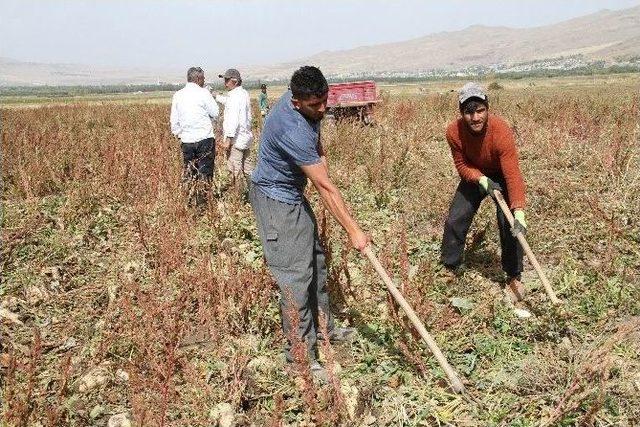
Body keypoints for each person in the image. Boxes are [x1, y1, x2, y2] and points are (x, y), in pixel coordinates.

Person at [250, 66, 371, 379]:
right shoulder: (292, 128)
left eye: (324, 101)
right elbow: (326, 190)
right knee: (294, 275)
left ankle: (324, 331)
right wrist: (355, 232)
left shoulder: (309, 110)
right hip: (276, 200)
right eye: (314, 105)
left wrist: (321, 163)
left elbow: (318, 155)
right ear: (295, 102)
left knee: (315, 262)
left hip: (292, 194)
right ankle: (300, 359)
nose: (322, 109)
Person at [441, 82, 527, 302]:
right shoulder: (454, 132)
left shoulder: (500, 131)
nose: (476, 118)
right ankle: (450, 265)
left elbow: (512, 173)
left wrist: (518, 211)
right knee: (455, 218)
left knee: (510, 226)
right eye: (469, 112)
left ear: (487, 109)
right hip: (475, 174)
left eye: (480, 110)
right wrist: (481, 179)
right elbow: (461, 165)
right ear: (462, 114)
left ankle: (513, 275)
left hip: (500, 174)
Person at [170, 67, 219, 191]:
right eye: (203, 78)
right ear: (198, 78)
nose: (204, 81)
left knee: (190, 172)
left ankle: (190, 201)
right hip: (204, 139)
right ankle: (204, 203)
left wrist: (179, 134)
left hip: (187, 141)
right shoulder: (204, 93)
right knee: (205, 172)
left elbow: (174, 121)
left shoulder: (178, 95)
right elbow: (215, 112)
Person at [216, 68, 254, 187]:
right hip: (245, 139)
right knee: (249, 171)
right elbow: (229, 102)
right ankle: (254, 197)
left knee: (234, 172)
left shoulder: (234, 97)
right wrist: (216, 96)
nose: (225, 83)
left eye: (227, 80)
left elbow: (233, 121)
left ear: (235, 81)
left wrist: (228, 140)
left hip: (235, 141)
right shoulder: (243, 93)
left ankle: (236, 200)